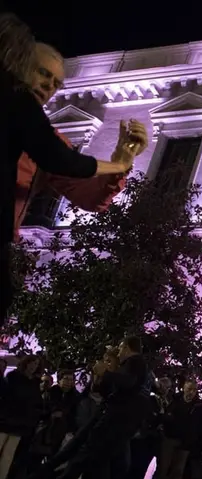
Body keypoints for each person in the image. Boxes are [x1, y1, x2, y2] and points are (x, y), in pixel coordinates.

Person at [1, 14, 138, 327]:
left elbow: (88, 196)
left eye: (57, 83)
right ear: (18, 65)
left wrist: (120, 162)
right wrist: (117, 164)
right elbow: (62, 160)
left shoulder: (47, 138)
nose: (50, 86)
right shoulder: (21, 112)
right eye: (43, 73)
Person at [36, 336, 150, 479]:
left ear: (126, 347)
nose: (119, 353)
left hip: (115, 420)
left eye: (120, 349)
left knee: (86, 454)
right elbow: (108, 390)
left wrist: (106, 373)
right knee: (97, 457)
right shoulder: (130, 367)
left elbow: (127, 383)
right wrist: (99, 379)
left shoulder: (135, 363)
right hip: (112, 418)